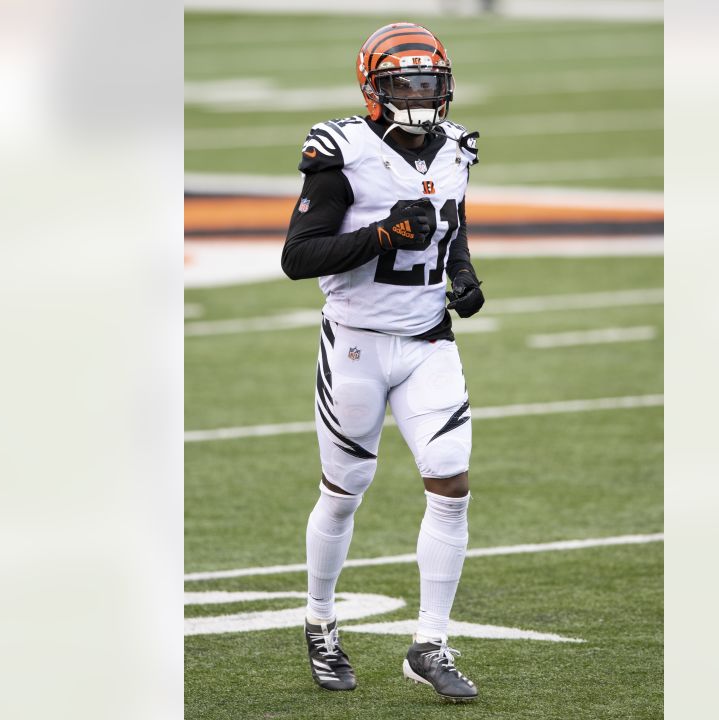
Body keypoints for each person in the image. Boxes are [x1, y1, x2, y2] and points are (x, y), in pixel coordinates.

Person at [279, 22, 485, 703]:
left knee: (451, 484)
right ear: (374, 88)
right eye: (406, 83)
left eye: (430, 82)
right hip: (358, 342)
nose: (422, 96)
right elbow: (298, 257)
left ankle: (430, 641)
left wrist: (461, 272)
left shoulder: (455, 147)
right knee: (343, 492)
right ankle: (320, 621)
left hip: (428, 340)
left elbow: (447, 221)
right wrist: (381, 235)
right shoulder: (341, 153)